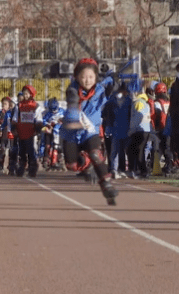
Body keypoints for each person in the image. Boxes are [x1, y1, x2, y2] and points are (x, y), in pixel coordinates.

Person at [61, 58, 118, 205]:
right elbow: (72, 104)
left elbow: (112, 87)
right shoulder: (72, 90)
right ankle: (86, 164)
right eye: (83, 77)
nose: (87, 80)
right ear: (77, 77)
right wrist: (73, 122)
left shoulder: (100, 89)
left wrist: (115, 82)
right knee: (71, 165)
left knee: (96, 154)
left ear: (96, 77)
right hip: (72, 133)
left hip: (90, 131)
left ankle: (107, 185)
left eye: (91, 77)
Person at [12, 85, 43, 178]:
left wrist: (37, 130)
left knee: (31, 151)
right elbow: (15, 118)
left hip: (31, 132)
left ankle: (32, 168)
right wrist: (14, 129)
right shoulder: (19, 106)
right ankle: (21, 166)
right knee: (21, 151)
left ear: (31, 94)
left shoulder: (36, 106)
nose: (25, 95)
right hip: (21, 132)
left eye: (27, 93)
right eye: (24, 93)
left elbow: (39, 119)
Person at [127, 89, 156, 179]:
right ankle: (140, 170)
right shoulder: (144, 102)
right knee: (139, 151)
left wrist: (131, 130)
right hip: (144, 129)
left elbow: (138, 117)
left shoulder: (138, 102)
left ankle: (141, 170)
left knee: (137, 151)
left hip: (139, 130)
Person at [105, 83, 131, 178]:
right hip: (116, 128)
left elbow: (131, 115)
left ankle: (124, 169)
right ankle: (114, 169)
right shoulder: (112, 101)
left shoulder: (129, 101)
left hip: (126, 129)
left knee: (126, 151)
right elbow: (108, 115)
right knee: (114, 150)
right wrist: (108, 126)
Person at [152, 82, 174, 175]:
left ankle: (156, 167)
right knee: (167, 148)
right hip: (168, 128)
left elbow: (155, 115)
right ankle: (168, 166)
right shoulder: (169, 102)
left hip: (159, 128)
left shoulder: (157, 103)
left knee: (159, 149)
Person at [41, 97, 65, 171]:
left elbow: (67, 119)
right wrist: (48, 125)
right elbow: (44, 120)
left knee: (58, 147)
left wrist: (62, 122)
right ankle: (46, 159)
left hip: (59, 132)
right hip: (50, 132)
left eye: (55, 110)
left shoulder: (62, 111)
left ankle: (60, 160)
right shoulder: (48, 113)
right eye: (52, 110)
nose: (54, 111)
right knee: (47, 146)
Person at [0, 96, 15, 174]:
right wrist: (0, 129)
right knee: (2, 150)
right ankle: (0, 166)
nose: (3, 106)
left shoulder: (13, 113)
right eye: (2, 104)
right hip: (4, 135)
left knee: (12, 151)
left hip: (12, 135)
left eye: (5, 104)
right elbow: (2, 123)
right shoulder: (1, 113)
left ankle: (11, 166)